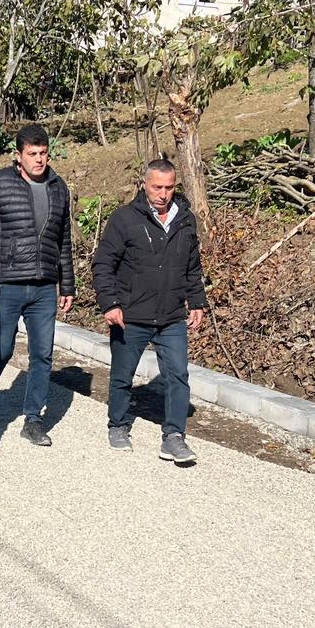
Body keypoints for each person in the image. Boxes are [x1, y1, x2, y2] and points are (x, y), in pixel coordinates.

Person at [91, 158, 207, 465]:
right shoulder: (125, 219)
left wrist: (196, 301)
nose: (163, 193)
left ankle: (174, 437)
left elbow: (192, 266)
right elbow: (103, 265)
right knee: (122, 375)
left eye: (169, 187)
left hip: (171, 315)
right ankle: (118, 424)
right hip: (131, 314)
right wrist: (110, 303)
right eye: (157, 187)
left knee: (178, 375)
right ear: (145, 184)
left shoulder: (185, 220)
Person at [0, 123, 75, 445]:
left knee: (42, 354)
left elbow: (64, 240)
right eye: (32, 154)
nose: (39, 160)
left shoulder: (59, 188)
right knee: (1, 349)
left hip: (44, 286)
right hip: (7, 283)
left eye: (43, 153)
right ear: (19, 155)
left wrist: (67, 285)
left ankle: (33, 419)